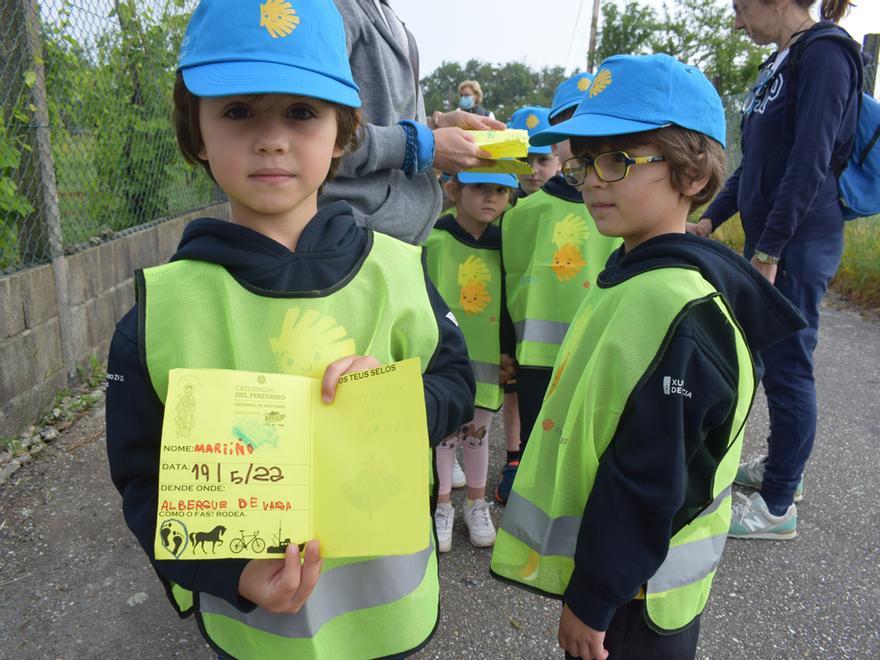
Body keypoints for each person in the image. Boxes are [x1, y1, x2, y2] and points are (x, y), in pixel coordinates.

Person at [105, 1, 475, 657]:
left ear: (343, 133)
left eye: (301, 112)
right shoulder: (159, 315)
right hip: (258, 637)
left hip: (390, 623)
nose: (271, 138)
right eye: (239, 110)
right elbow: (145, 482)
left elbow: (454, 383)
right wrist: (232, 574)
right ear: (197, 131)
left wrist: (398, 401)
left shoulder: (399, 272)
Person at [490, 54, 805, 660]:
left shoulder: (675, 304)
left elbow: (652, 475)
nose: (590, 182)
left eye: (618, 160)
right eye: (584, 163)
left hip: (637, 596)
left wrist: (593, 597)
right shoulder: (634, 271)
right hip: (630, 578)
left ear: (691, 176)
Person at [688, 0, 861, 539]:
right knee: (754, 354)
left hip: (799, 240)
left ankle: (779, 504)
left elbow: (809, 160)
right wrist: (710, 220)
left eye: (742, 8)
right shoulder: (778, 64)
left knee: (787, 363)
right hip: (772, 239)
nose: (738, 22)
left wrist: (769, 252)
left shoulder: (827, 54)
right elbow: (757, 164)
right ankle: (786, 466)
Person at [494, 73, 622, 505]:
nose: (581, 136)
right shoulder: (523, 214)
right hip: (537, 361)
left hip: (601, 355)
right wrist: (506, 348)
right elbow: (509, 286)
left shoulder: (624, 210)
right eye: (570, 123)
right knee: (539, 454)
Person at [323, 1, 505, 245]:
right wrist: (419, 146)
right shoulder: (330, 8)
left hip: (391, 246)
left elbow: (389, 123)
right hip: (340, 242)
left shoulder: (393, 20)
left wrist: (434, 127)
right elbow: (308, 139)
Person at [424, 172, 518, 552]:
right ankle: (442, 505)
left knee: (478, 434)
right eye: (480, 187)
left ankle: (476, 504)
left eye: (500, 190)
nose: (490, 198)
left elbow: (514, 302)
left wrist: (510, 352)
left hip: (489, 359)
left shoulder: (508, 245)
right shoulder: (434, 239)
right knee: (444, 436)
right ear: (454, 190)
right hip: (444, 360)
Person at [508, 106, 559, 197]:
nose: (532, 170)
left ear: (560, 162)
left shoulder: (580, 202)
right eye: (523, 159)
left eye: (543, 160)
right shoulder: (501, 205)